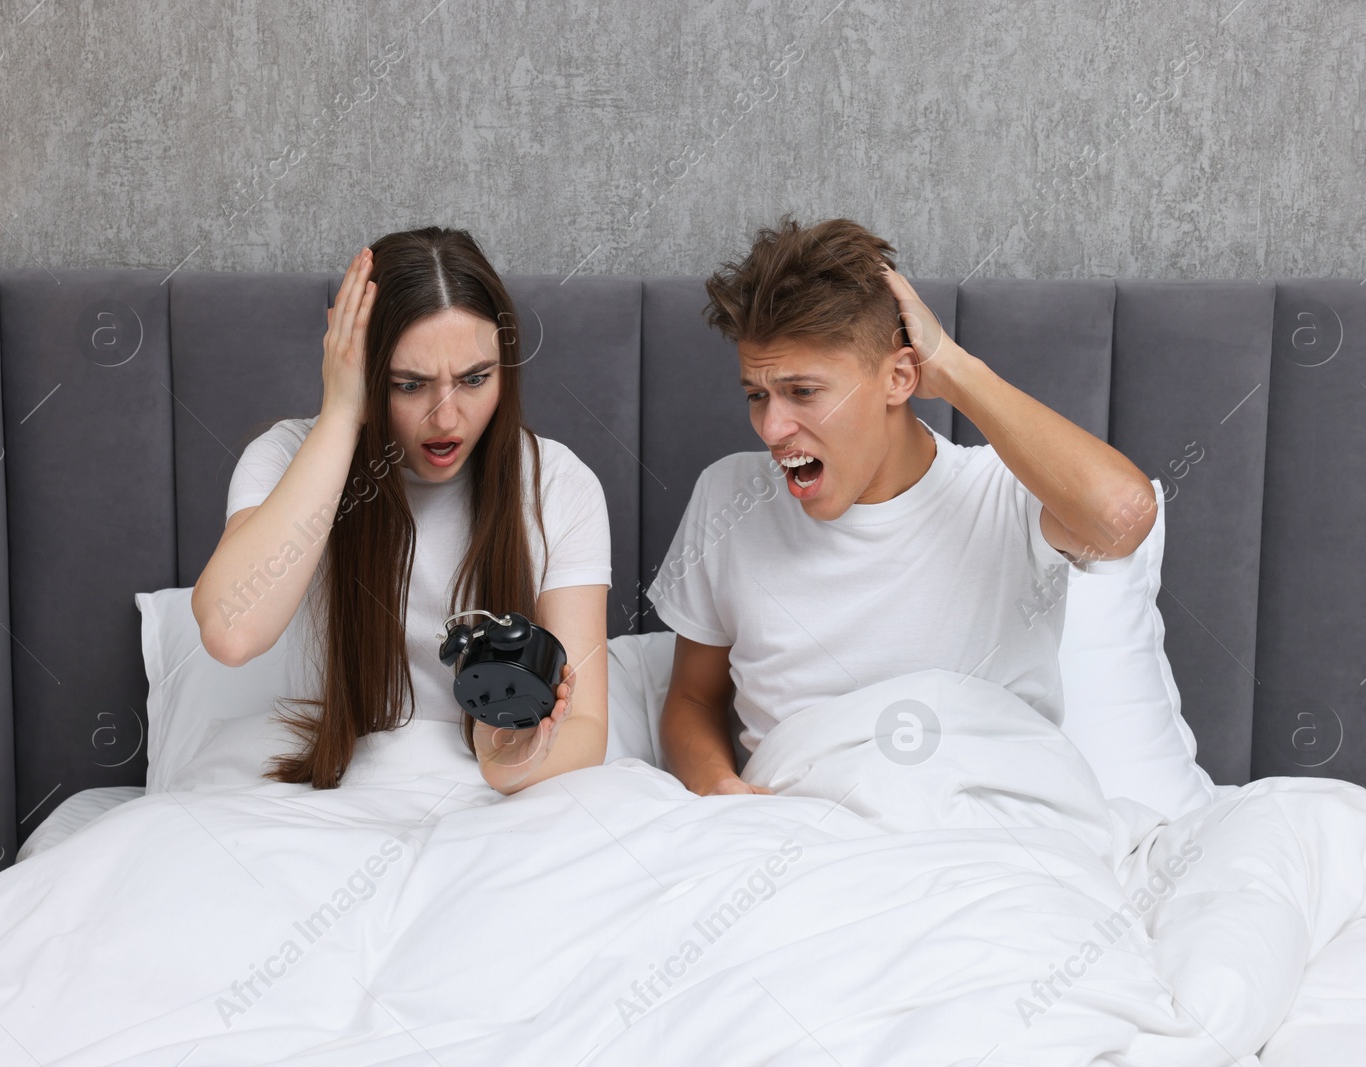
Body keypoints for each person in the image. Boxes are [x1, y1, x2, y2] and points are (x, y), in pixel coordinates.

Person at [648, 217, 1156, 796]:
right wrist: (721, 789)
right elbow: (693, 696)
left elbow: (1122, 517)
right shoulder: (728, 497)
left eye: (803, 392)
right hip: (800, 835)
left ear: (900, 378)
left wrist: (958, 370)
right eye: (757, 395)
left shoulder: (1004, 492)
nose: (772, 427)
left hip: (992, 823)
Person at [193, 227, 610, 794]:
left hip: (486, 797)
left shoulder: (559, 485)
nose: (446, 419)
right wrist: (341, 413)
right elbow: (231, 631)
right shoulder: (286, 458)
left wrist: (509, 763)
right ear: (362, 371)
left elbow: (584, 724)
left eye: (474, 379)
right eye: (409, 385)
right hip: (334, 783)